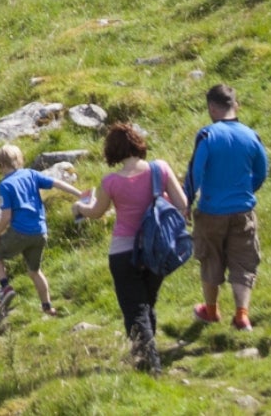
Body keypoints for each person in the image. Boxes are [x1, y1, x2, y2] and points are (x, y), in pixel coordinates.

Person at [73, 120, 190, 372]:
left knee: (135, 310)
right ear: (138, 143)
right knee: (146, 304)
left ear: (112, 151)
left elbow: (95, 213)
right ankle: (148, 357)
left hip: (124, 253)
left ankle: (149, 366)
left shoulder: (111, 182)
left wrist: (80, 206)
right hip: (157, 250)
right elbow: (183, 204)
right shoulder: (160, 169)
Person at [186, 82, 270, 330]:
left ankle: (211, 311)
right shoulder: (251, 136)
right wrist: (246, 191)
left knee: (210, 258)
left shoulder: (208, 135)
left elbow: (195, 173)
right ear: (236, 105)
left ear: (212, 108)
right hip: (242, 209)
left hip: (211, 211)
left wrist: (186, 202)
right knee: (243, 261)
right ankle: (242, 314)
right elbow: (262, 172)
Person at [0, 143, 72, 322]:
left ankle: (6, 288)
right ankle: (48, 307)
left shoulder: (5, 184)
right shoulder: (30, 174)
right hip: (40, 232)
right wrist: (80, 194)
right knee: (34, 271)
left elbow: (6, 216)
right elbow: (57, 183)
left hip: (20, 232)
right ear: (19, 160)